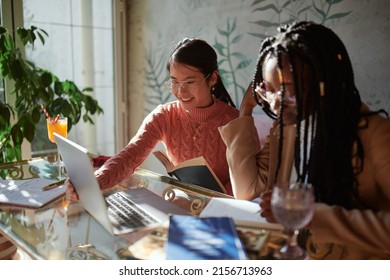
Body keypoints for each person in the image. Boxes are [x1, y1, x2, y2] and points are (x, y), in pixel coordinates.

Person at [219, 21, 390, 259]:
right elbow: (246, 191)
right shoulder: (286, 130)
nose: (276, 102)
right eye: (269, 89)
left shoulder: (374, 134)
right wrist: (246, 108)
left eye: (288, 88)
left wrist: (315, 215)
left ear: (323, 81)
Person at [67, 38, 241, 200]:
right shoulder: (164, 116)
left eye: (189, 82)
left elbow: (250, 183)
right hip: (183, 204)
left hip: (226, 210)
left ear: (213, 78)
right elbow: (130, 155)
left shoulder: (235, 121)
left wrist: (216, 200)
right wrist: (92, 183)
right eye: (174, 82)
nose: (180, 92)